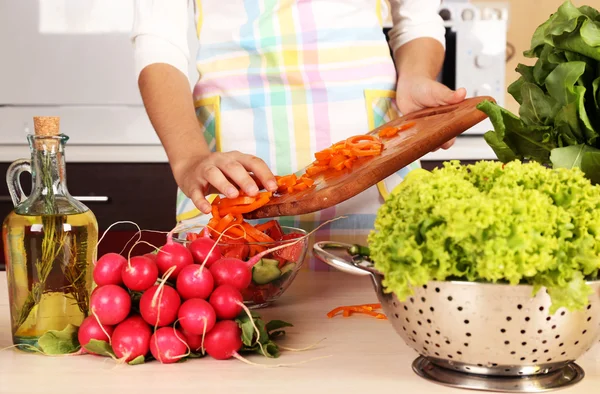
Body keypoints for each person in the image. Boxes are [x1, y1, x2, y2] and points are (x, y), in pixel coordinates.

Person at [131, 0, 466, 268]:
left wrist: (415, 77)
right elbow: (159, 39)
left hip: (371, 160)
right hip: (235, 175)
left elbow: (417, 17)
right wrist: (190, 157)